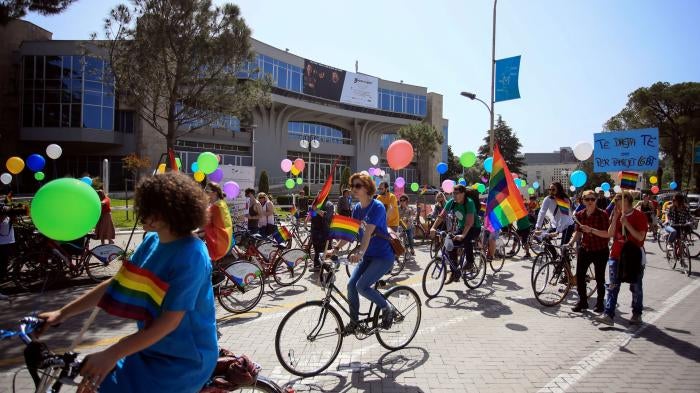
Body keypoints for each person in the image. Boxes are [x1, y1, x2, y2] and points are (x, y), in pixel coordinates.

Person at [39, 172, 217, 392]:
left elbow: (169, 322)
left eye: (149, 209)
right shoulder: (152, 241)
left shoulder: (192, 255)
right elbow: (117, 283)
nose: (141, 213)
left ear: (171, 212)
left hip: (183, 362)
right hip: (149, 349)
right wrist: (62, 314)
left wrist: (112, 353)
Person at [329, 173, 395, 334]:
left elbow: (367, 235)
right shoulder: (357, 209)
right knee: (351, 285)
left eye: (358, 186)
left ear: (367, 188)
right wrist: (335, 248)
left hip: (383, 257)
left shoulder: (377, 207)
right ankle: (354, 323)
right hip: (368, 256)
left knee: (361, 286)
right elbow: (350, 234)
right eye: (352, 186)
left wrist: (359, 252)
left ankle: (387, 308)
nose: (353, 189)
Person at [593, 191, 648, 326]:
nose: (615, 204)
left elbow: (640, 237)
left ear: (626, 201)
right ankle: (609, 314)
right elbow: (610, 233)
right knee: (612, 286)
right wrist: (615, 217)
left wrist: (627, 224)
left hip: (633, 256)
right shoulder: (617, 215)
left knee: (635, 286)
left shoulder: (639, 216)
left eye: (617, 201)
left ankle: (637, 313)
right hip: (616, 255)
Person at [567, 190, 610, 313]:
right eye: (587, 199)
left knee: (599, 278)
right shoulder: (580, 215)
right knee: (580, 277)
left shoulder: (603, 214)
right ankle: (583, 301)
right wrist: (570, 243)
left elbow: (607, 234)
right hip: (585, 248)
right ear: (583, 201)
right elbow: (578, 232)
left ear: (596, 200)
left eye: (592, 199)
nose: (590, 201)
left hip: (600, 249)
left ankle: (600, 303)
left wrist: (591, 230)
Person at [429, 185, 481, 284]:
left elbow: (469, 222)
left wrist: (463, 235)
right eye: (453, 193)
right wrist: (433, 227)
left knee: (466, 239)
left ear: (463, 194)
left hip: (474, 227)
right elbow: (441, 217)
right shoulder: (451, 202)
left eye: (457, 193)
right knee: (450, 243)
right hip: (462, 228)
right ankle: (454, 272)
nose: (455, 195)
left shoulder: (469, 202)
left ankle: (470, 262)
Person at [535, 182, 576, 251]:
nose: (551, 191)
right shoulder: (547, 199)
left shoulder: (565, 200)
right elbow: (542, 212)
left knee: (563, 248)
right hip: (555, 224)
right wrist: (538, 227)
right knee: (545, 239)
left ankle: (565, 261)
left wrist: (557, 231)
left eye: (553, 189)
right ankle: (554, 257)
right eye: (549, 189)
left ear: (559, 190)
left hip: (567, 225)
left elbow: (564, 217)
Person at [203, 182, 233, 262]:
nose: (205, 194)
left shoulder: (216, 207)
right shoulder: (222, 203)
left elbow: (203, 223)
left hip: (219, 243)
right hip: (227, 240)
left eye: (207, 192)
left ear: (215, 193)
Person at [309, 200, 334, 272]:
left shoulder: (329, 204)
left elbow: (326, 216)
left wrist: (316, 209)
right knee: (317, 250)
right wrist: (312, 210)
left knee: (326, 250)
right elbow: (312, 216)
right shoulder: (316, 204)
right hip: (315, 231)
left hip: (324, 232)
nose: (318, 196)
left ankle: (329, 267)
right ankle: (317, 266)